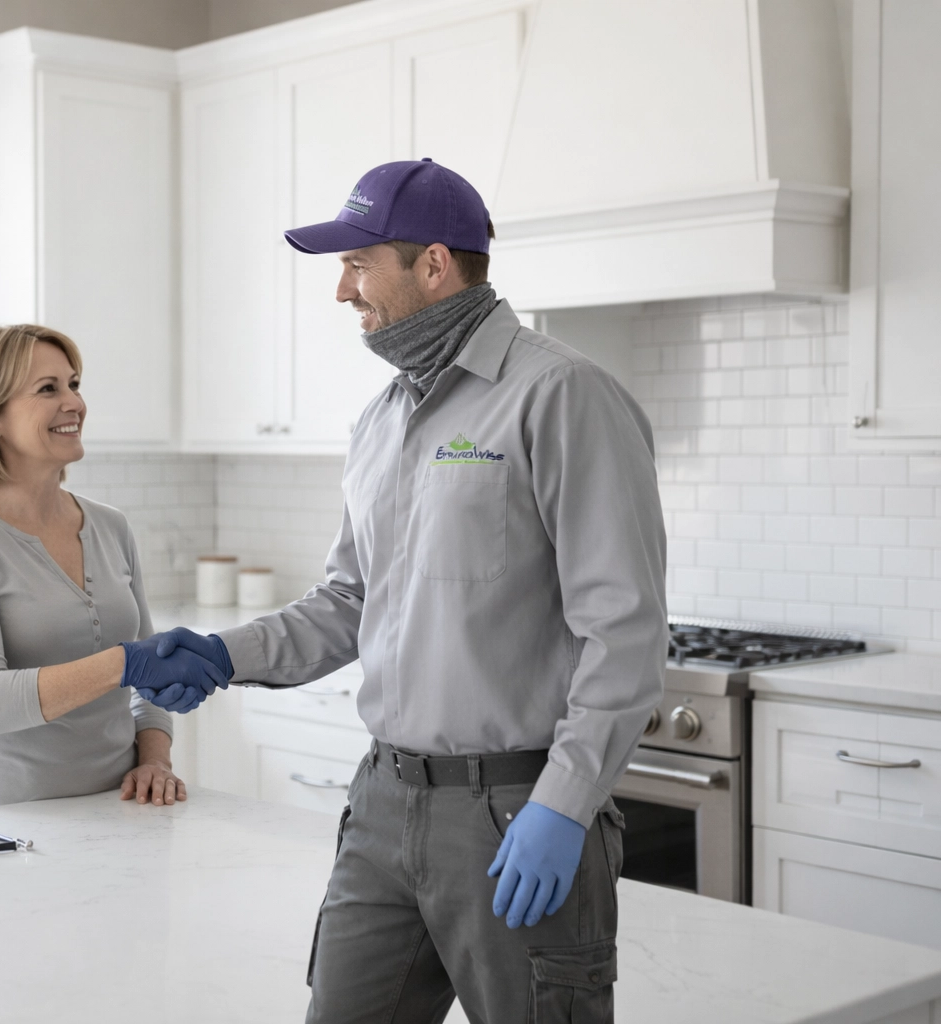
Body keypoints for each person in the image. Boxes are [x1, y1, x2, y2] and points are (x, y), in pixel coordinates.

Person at [133, 160, 667, 1022]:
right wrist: (223, 654)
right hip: (382, 805)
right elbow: (349, 601)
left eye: (358, 263)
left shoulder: (562, 395)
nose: (343, 290)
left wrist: (565, 805)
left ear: (433, 264)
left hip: (515, 813)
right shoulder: (381, 419)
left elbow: (625, 633)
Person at [0, 324, 226, 814]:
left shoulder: (111, 526)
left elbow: (146, 686)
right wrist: (123, 663)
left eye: (74, 384)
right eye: (48, 389)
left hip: (115, 807)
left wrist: (155, 760)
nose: (75, 403)